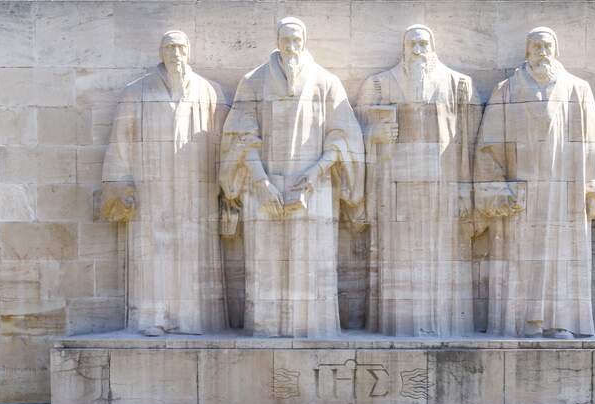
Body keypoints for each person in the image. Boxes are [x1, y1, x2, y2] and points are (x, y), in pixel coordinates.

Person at [220, 17, 365, 337]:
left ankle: (314, 328)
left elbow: (342, 137)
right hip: (263, 188)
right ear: (277, 41)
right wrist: (260, 181)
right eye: (285, 40)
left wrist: (315, 173)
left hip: (315, 187)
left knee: (312, 262)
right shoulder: (254, 81)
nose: (291, 46)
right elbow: (240, 133)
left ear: (305, 41)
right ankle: (268, 329)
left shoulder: (327, 82)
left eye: (296, 40)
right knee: (267, 262)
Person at [475, 27, 595, 338]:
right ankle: (522, 322)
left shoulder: (577, 89)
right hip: (521, 193)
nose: (542, 51)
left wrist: (593, 186)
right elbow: (488, 146)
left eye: (547, 45)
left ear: (555, 49)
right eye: (535, 46)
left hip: (564, 192)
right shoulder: (506, 90)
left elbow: (593, 142)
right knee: (521, 254)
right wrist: (497, 190)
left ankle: (560, 321)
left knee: (562, 255)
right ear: (527, 51)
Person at [101, 30, 228, 335]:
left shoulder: (210, 92)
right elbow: (121, 141)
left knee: (193, 248)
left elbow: (225, 143)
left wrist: (227, 189)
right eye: (169, 47)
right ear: (161, 53)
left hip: (197, 188)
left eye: (181, 47)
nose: (175, 54)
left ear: (189, 51)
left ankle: (191, 318)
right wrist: (120, 185)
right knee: (154, 251)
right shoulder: (137, 92)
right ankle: (154, 318)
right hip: (151, 188)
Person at [357, 24, 478, 336]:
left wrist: (465, 189)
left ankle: (440, 324)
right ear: (404, 48)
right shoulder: (380, 84)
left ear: (432, 46)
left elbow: (467, 143)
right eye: (413, 44)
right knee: (398, 254)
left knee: (440, 255)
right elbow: (353, 137)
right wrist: (374, 135)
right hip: (393, 185)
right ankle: (399, 325)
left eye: (424, 43)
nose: (419, 49)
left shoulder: (457, 84)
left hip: (443, 184)